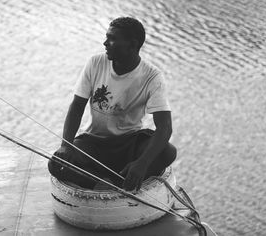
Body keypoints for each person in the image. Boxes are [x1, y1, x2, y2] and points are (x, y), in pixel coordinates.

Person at [48, 17, 176, 191]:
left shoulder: (152, 76)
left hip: (129, 142)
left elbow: (165, 127)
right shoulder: (95, 63)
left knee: (167, 152)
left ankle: (126, 175)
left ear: (132, 44)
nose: (105, 43)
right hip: (93, 142)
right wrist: (66, 145)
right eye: (107, 37)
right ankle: (102, 183)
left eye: (112, 39)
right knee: (57, 164)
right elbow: (77, 107)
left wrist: (142, 164)